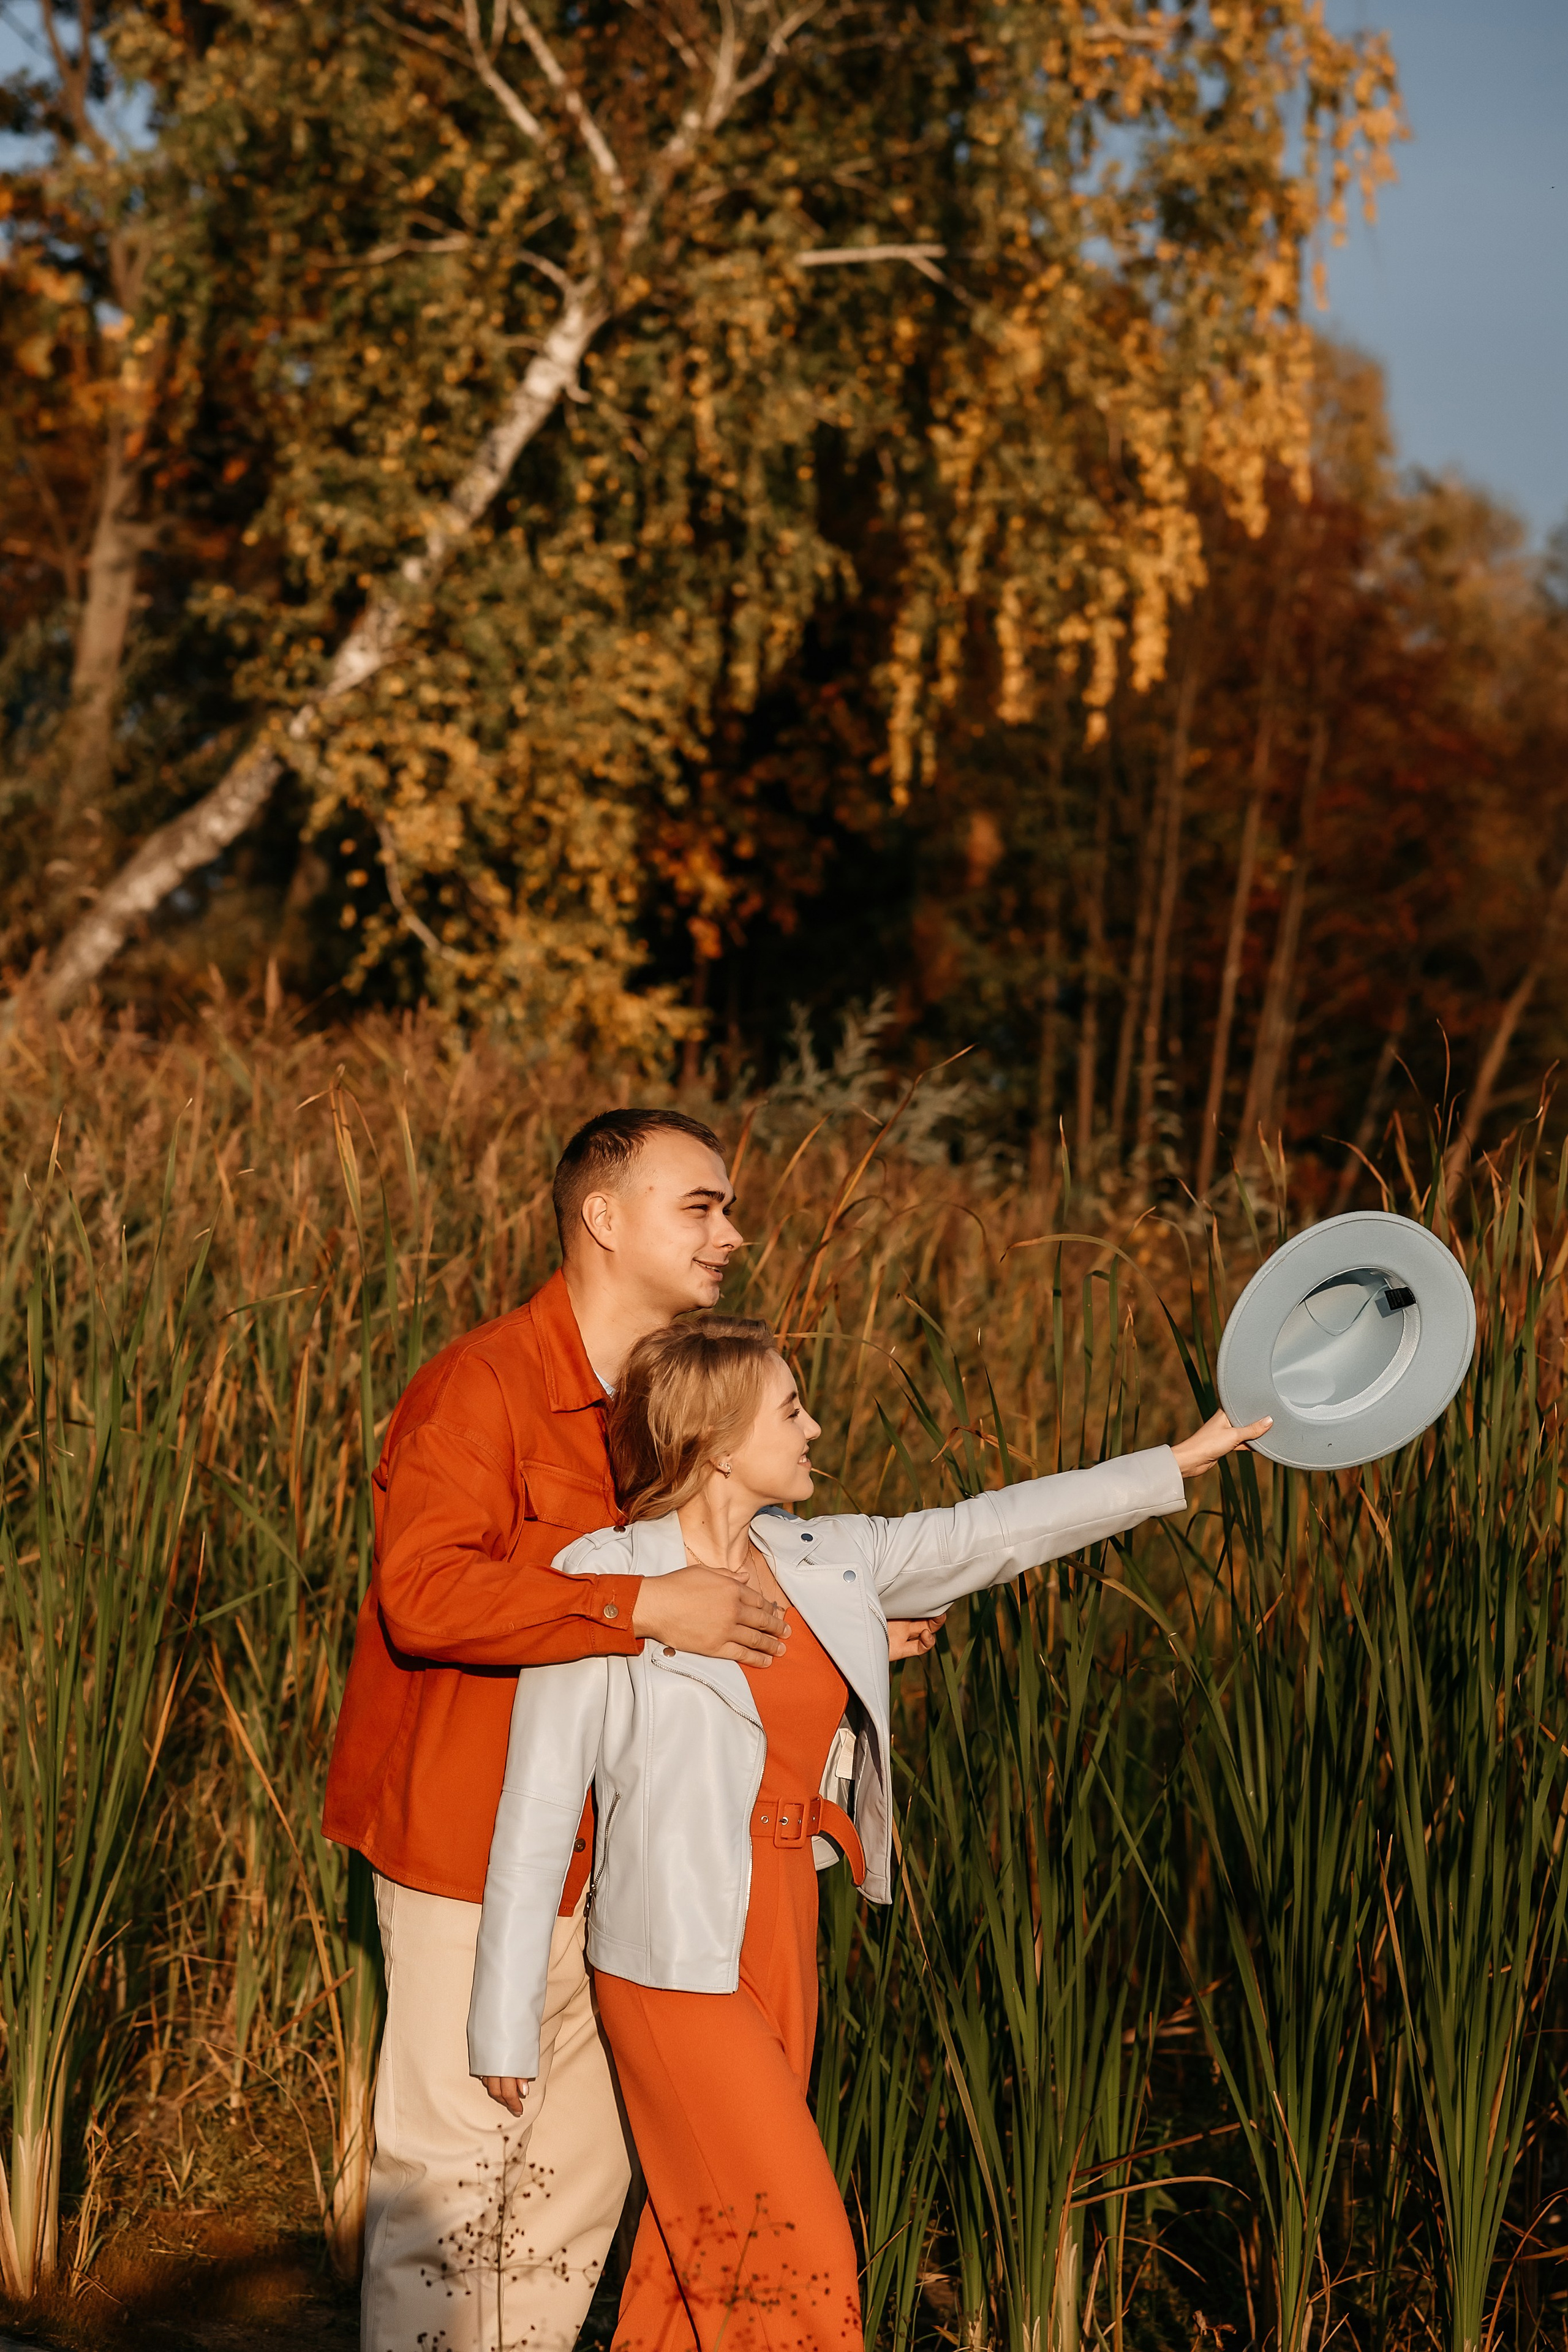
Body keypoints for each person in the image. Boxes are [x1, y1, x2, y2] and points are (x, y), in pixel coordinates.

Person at [468, 1317, 1272, 2352]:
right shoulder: (608, 1572)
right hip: (671, 1957)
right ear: (714, 1439)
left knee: (696, 2259)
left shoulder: (825, 1559)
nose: (817, 1427)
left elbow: (994, 1531)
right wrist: (504, 2017)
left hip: (786, 1924)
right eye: (791, 1409)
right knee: (799, 2256)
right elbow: (536, 1801)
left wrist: (1182, 1459)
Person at [324, 1109, 942, 2352]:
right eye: (699, 1206)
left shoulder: (677, 1400)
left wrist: (819, 1633)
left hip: (631, 1884)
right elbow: (425, 1591)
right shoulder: (481, 1385)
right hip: (462, 1858)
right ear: (602, 1218)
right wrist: (640, 1600)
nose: (732, 1232)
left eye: (727, 1207)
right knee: (447, 2211)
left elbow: (715, 1590)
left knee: (563, 2223)